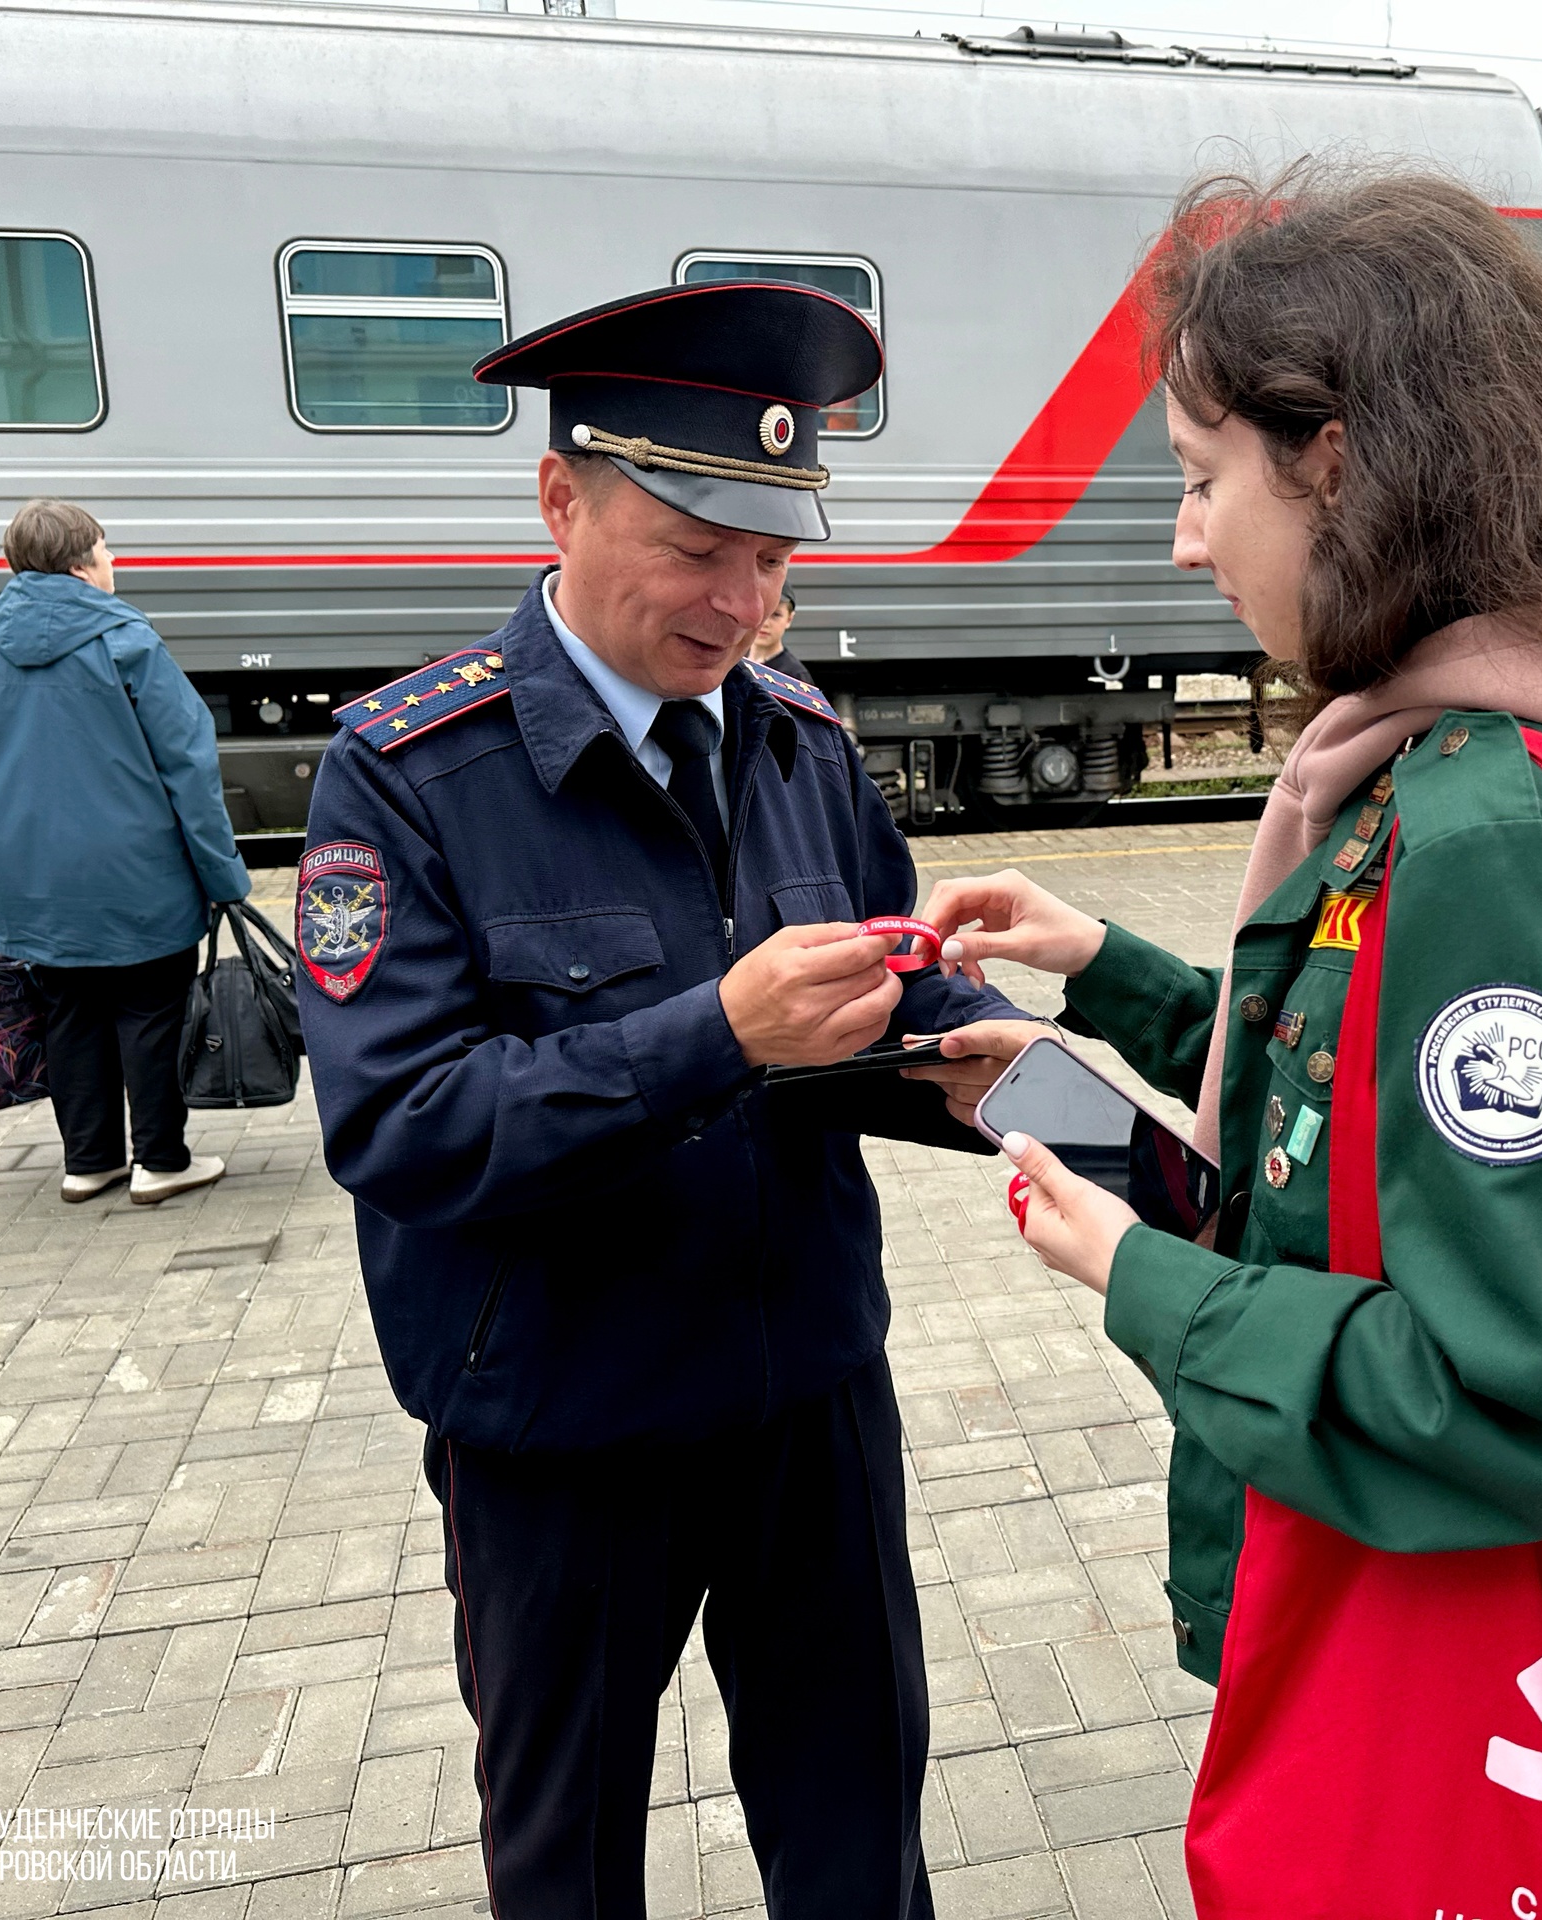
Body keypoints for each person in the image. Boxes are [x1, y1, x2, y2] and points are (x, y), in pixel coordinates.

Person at [916, 167, 1542, 1689]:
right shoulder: (1451, 766)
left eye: (1203, 477)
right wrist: (1102, 975)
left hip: (1433, 1658)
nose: (1186, 542)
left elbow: (1531, 1402)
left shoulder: (1489, 833)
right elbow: (1359, 1094)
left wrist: (1146, 1277)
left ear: (1335, 465)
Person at [294, 282, 1035, 1920]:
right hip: (563, 1432)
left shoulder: (803, 746)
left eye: (774, 559)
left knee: (858, 1826)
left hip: (808, 1400)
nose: (741, 602)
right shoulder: (406, 777)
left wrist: (1026, 1088)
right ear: (559, 498)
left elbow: (897, 995)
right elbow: (401, 1123)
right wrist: (717, 1033)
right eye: (698, 547)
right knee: (565, 1857)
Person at [0, 498, 249, 1206]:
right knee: (149, 1009)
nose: (115, 564)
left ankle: (90, 1161)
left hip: (25, 883)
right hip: (135, 876)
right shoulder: (128, 642)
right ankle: (161, 1162)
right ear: (82, 562)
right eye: (108, 551)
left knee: (67, 1013)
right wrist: (223, 875)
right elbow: (189, 772)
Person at [744, 586, 811, 680]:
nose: (765, 623)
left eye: (776, 615)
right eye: (760, 612)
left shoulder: (794, 676)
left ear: (789, 619)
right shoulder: (733, 661)